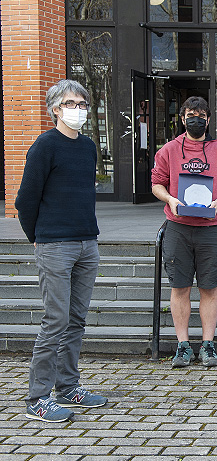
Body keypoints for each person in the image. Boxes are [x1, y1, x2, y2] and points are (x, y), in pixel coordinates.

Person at [16, 79, 107, 422]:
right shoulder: (45, 145)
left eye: (82, 104)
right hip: (54, 244)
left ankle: (68, 387)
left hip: (87, 242)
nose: (78, 110)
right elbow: (25, 200)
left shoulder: (87, 146)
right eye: (70, 104)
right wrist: (37, 237)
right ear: (55, 109)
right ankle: (38, 398)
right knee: (56, 320)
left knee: (76, 320)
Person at [151, 96, 217, 368]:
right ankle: (182, 346)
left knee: (209, 287)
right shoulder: (169, 150)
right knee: (179, 287)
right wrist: (170, 199)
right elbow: (157, 184)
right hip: (178, 228)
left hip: (210, 229)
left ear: (208, 119)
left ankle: (207, 345)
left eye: (201, 115)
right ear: (182, 119)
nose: (196, 120)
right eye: (191, 115)